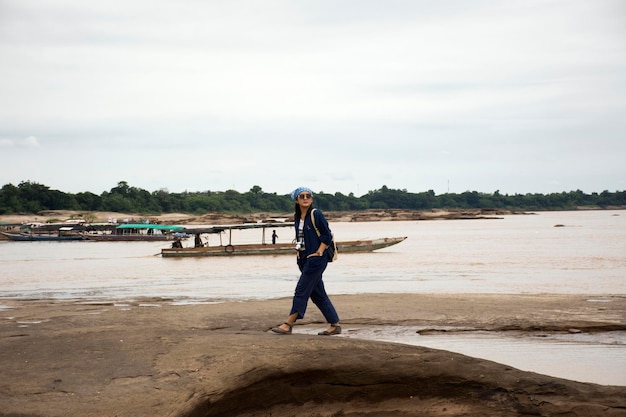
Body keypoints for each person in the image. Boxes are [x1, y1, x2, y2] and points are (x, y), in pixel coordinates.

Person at [271, 186, 341, 336]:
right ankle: (335, 324)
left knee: (301, 290)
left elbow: (326, 236)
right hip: (303, 259)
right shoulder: (298, 217)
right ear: (296, 199)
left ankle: (288, 323)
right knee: (317, 294)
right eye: (301, 196)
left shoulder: (316, 214)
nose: (305, 198)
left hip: (316, 259)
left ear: (312, 198)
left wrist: (319, 251)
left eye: (308, 195)